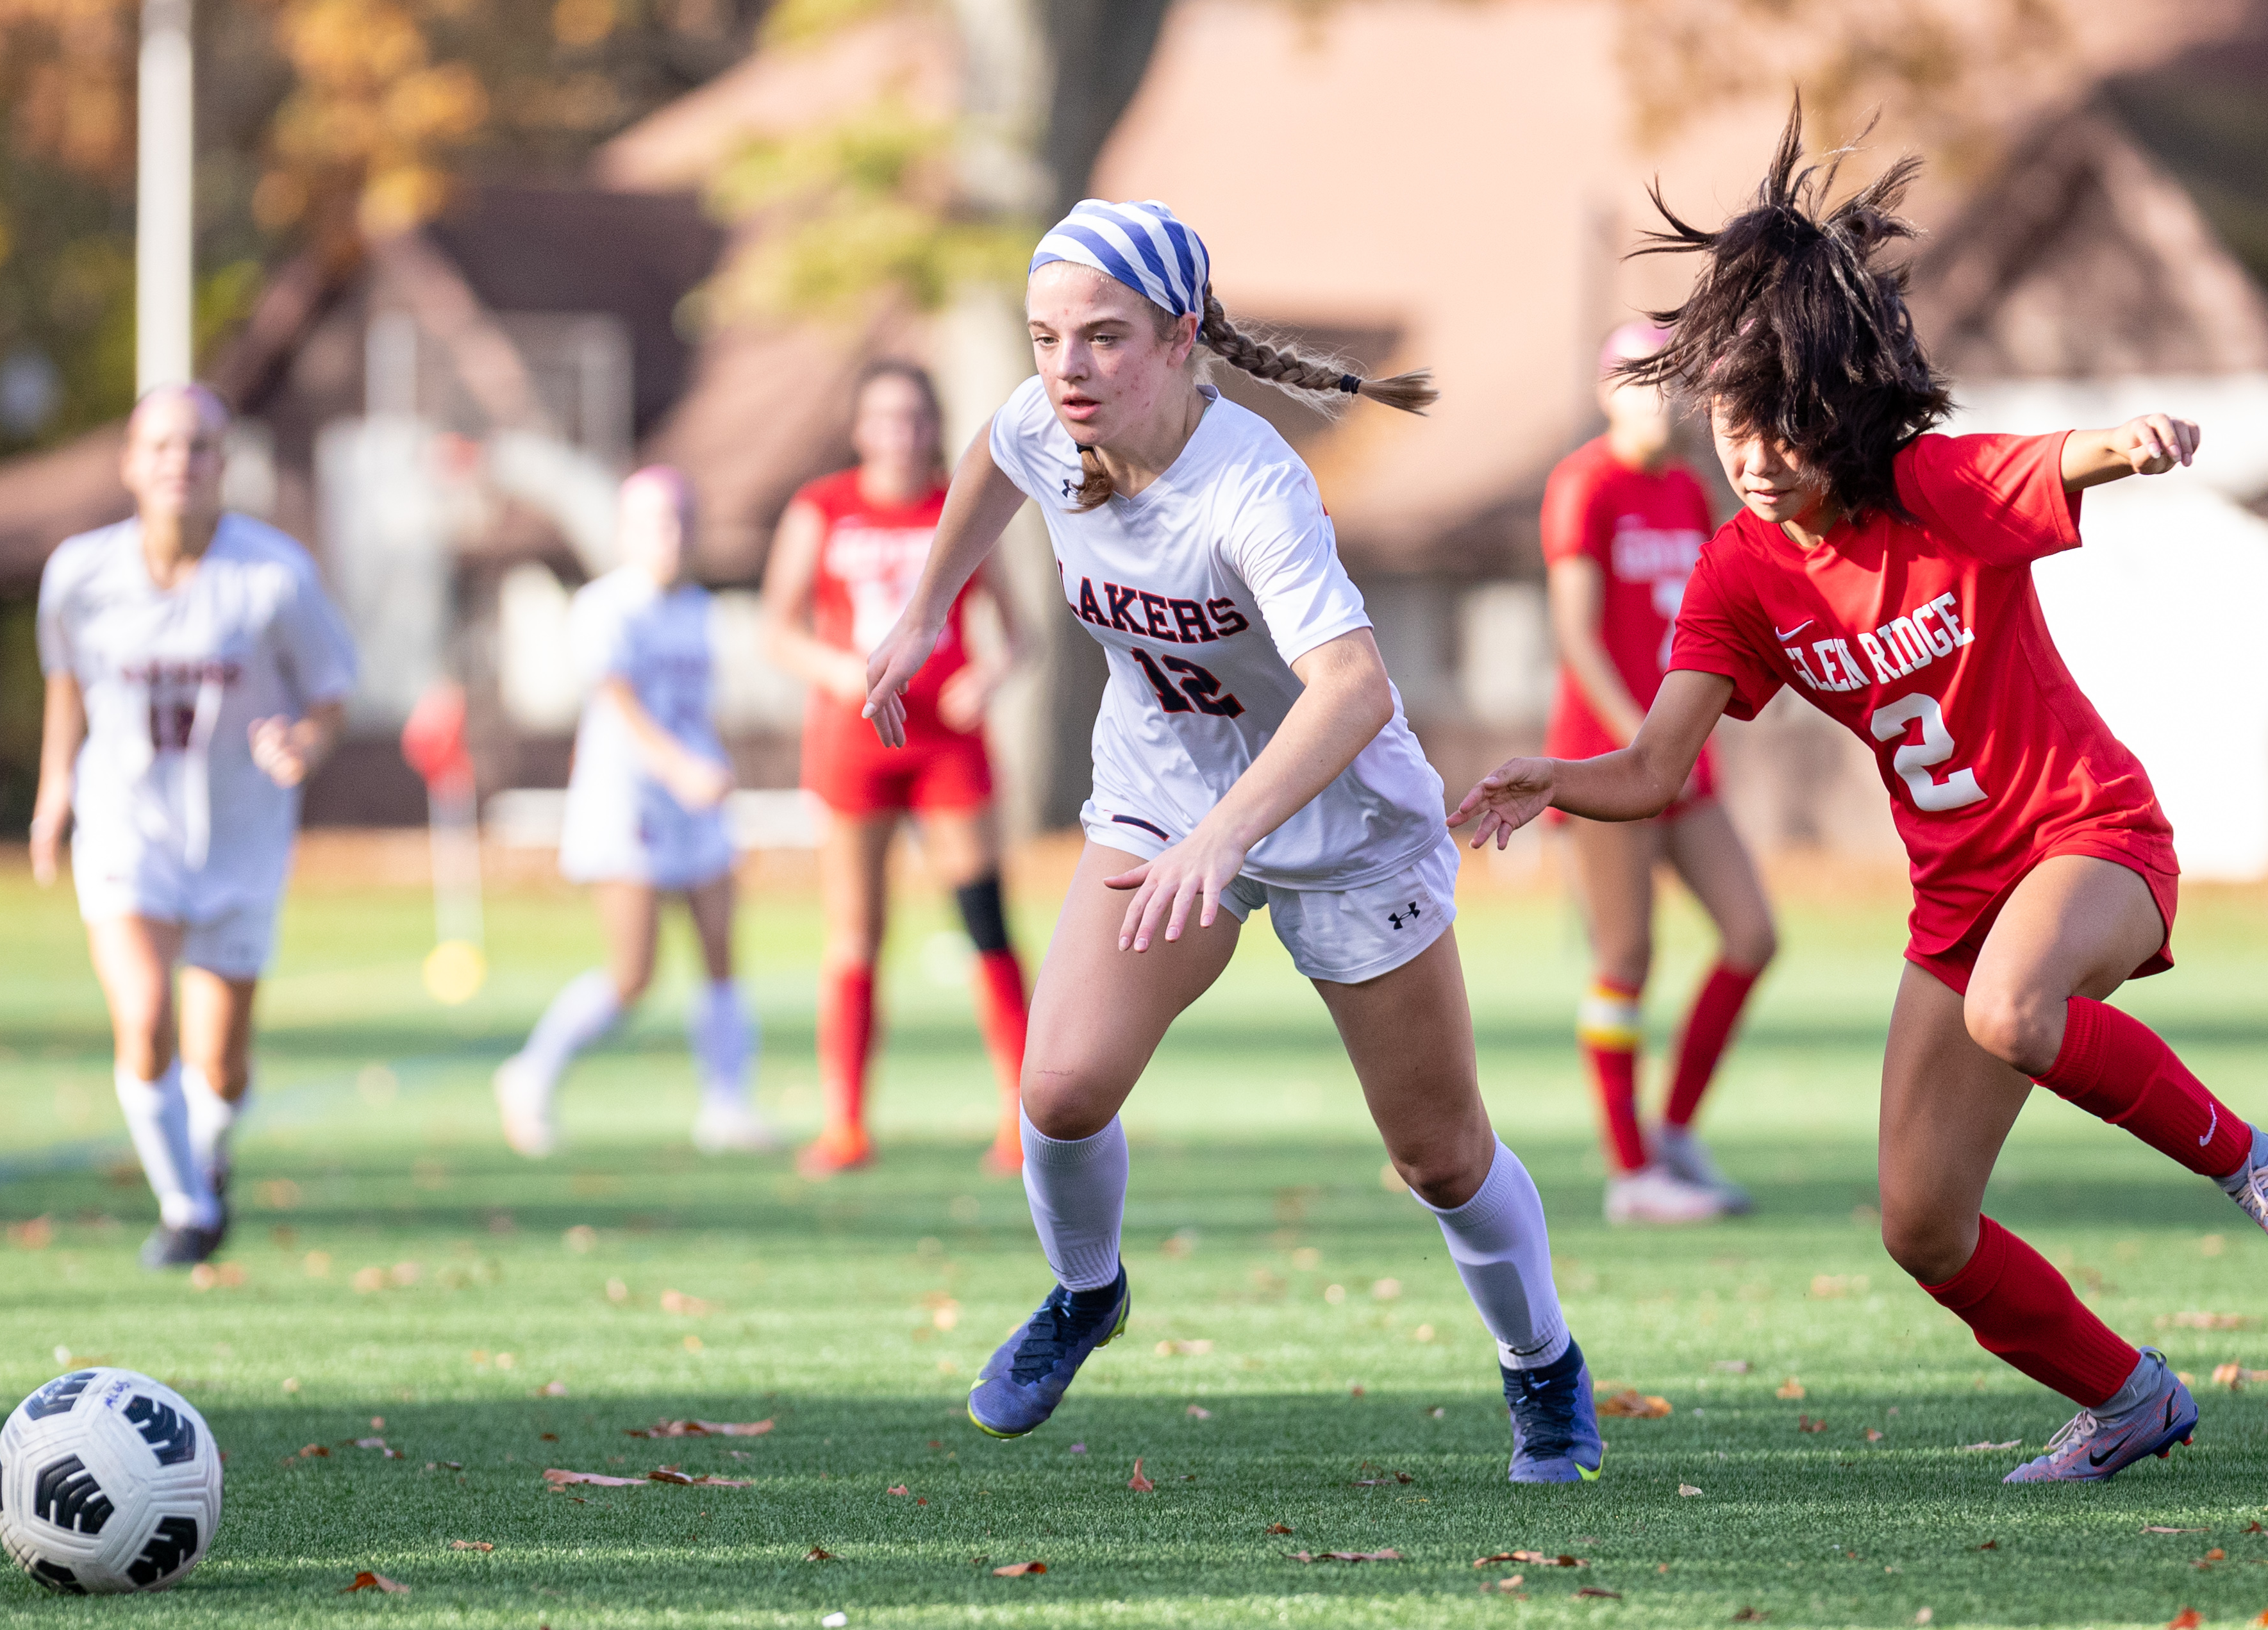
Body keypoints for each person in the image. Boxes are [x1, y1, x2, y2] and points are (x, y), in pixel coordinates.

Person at [1451, 106, 2268, 1485]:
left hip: (2089, 840)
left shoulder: (1927, 487)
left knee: (2014, 1006)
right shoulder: (1740, 571)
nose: (1746, 453)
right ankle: (2126, 1397)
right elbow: (1648, 766)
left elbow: (2054, 458)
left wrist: (2134, 437)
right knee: (1919, 1223)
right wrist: (1545, 776)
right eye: (1726, 421)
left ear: (1841, 404)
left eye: (1777, 418)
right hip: (1957, 901)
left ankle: (2253, 1164)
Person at [862, 199, 1606, 1484]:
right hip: (1161, 800)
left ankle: (1539, 1361)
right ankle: (1083, 1291)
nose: (1064, 367)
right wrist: (924, 610)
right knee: (1056, 1089)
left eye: (1101, 338)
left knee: (1436, 1154)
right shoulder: (1047, 421)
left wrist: (1227, 832)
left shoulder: (1250, 482)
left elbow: (1352, 688)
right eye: (1046, 338)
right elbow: (990, 456)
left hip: (1341, 827)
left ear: (1177, 339)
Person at [31, 383, 357, 1268]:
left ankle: (208, 1161)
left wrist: (304, 741)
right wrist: (55, 785)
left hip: (241, 838)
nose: (182, 462)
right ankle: (185, 1209)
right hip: (127, 827)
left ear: (224, 465)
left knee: (221, 1065)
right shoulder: (80, 576)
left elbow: (330, 694)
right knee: (143, 1020)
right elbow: (68, 683)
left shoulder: (273, 576)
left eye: (200, 446)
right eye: (163, 446)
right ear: (132, 463)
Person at [763, 362, 1038, 1177]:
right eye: (882, 416)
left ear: (933, 424)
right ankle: (845, 1123)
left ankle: (1024, 1121)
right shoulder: (821, 509)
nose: (899, 431)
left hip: (946, 746)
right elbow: (775, 630)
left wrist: (985, 675)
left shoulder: (961, 504)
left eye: (914, 416)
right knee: (855, 933)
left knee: (984, 920)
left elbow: (1018, 632)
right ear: (858, 427)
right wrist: (840, 669)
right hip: (856, 744)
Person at [1543, 320, 1776, 1224]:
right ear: (1606, 393)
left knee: (1751, 934)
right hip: (1609, 760)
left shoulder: (1686, 488)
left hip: (1683, 760)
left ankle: (1674, 1130)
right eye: (1635, 383)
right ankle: (1630, 1171)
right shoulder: (1582, 485)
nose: (1653, 399)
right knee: (1626, 956)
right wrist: (1640, 750)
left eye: (1664, 383)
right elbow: (1576, 636)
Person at [493, 467, 776, 1158]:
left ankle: (726, 1105)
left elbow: (698, 709)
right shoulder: (605, 607)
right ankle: (529, 1074)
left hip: (696, 803)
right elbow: (619, 705)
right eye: (654, 520)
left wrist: (713, 766)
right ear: (625, 532)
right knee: (632, 974)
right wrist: (679, 767)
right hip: (628, 806)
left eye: (681, 518)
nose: (670, 534)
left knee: (720, 951)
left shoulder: (699, 611)